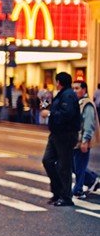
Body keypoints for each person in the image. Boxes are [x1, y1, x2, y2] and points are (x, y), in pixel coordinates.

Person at [40, 72, 81, 207]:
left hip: (65, 134)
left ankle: (66, 196)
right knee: (48, 160)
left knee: (64, 166)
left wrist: (50, 113)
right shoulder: (62, 94)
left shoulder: (68, 95)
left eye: (57, 81)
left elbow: (67, 114)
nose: (56, 84)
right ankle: (57, 192)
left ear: (60, 82)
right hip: (56, 134)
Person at [71, 80, 100, 199]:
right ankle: (93, 179)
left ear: (84, 90)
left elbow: (88, 124)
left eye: (77, 88)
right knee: (75, 166)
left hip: (82, 141)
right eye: (73, 88)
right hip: (74, 141)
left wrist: (85, 140)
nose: (74, 91)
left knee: (79, 167)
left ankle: (78, 190)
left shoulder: (87, 104)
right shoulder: (77, 102)